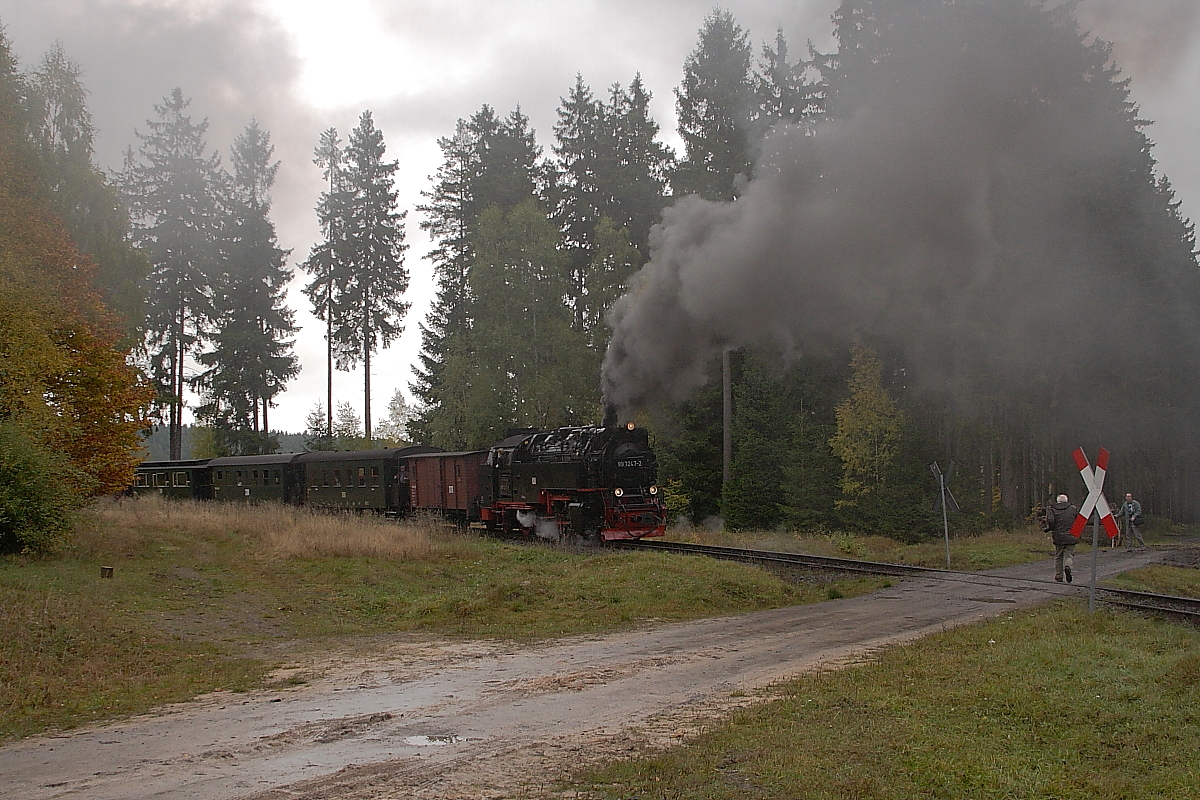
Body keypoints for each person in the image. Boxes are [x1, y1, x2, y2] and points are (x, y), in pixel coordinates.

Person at [1043, 494, 1080, 583]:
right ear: (1067, 500)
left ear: (1058, 501)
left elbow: (1051, 521)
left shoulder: (1052, 509)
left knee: (1059, 555)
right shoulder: (1073, 509)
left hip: (1058, 535)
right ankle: (1068, 567)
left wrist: (1050, 528)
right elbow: (1079, 521)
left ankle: (1059, 575)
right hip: (1071, 535)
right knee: (1069, 554)